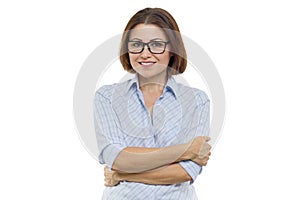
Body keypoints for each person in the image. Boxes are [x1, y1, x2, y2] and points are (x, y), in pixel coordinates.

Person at [94, 7, 211, 200]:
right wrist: (186, 150)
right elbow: (116, 157)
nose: (145, 54)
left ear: (172, 49)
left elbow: (186, 172)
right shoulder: (107, 97)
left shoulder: (197, 101)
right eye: (136, 44)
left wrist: (122, 174)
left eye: (156, 45)